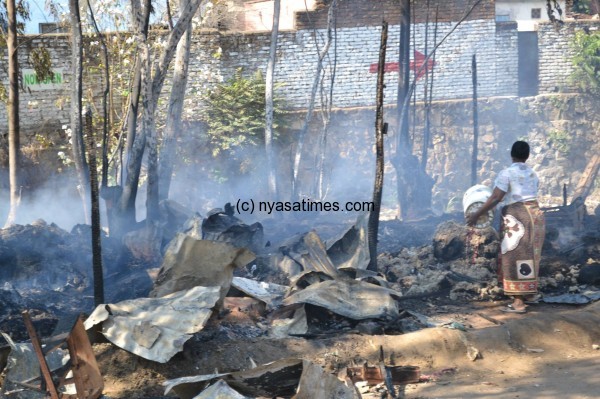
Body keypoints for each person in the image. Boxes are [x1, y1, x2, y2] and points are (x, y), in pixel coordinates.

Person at [466, 141, 545, 313]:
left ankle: (518, 303)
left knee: (514, 256)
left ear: (512, 154)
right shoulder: (533, 173)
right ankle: (530, 294)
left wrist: (477, 214)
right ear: (527, 155)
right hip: (535, 215)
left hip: (519, 217)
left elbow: (496, 197)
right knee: (531, 255)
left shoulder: (507, 173)